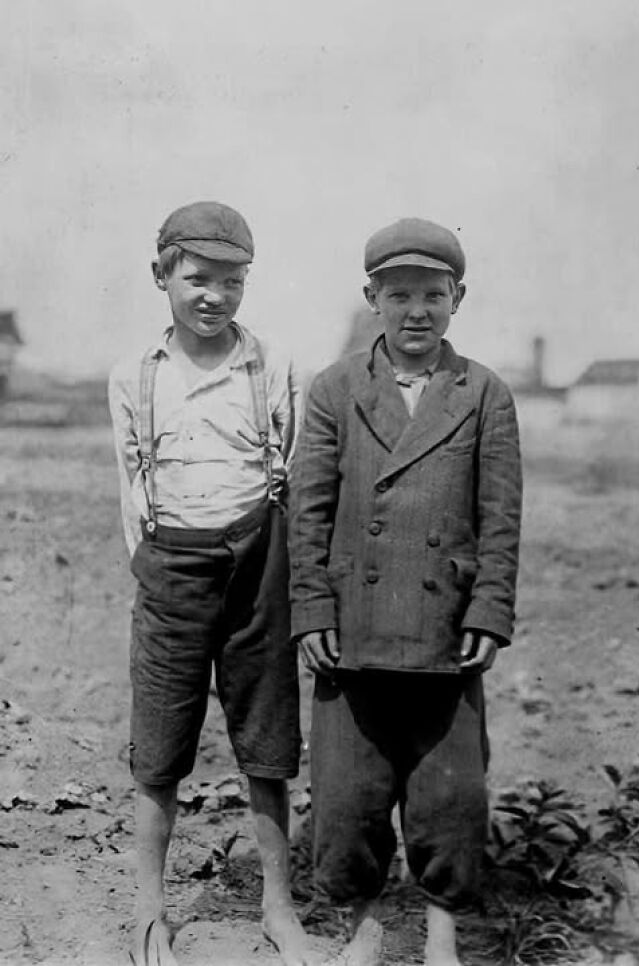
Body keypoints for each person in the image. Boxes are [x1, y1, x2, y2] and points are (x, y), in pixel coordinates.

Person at [288, 217, 522, 966]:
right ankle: (362, 927)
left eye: (433, 294)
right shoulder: (334, 389)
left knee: (449, 799)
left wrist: (489, 608)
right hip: (352, 626)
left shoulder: (484, 393)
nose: (416, 311)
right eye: (399, 295)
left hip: (444, 631)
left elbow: (501, 515)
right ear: (372, 299)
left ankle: (442, 933)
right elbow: (309, 509)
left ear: (459, 298)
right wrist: (312, 608)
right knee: (348, 797)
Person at [108, 201, 309, 966]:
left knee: (267, 739)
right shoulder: (134, 375)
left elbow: (284, 464)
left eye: (231, 282)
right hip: (171, 570)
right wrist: (156, 568)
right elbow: (132, 482)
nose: (213, 297)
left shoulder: (273, 366)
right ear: (162, 275)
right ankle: (150, 911)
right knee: (158, 747)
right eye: (196, 279)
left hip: (258, 563)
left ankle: (279, 906)